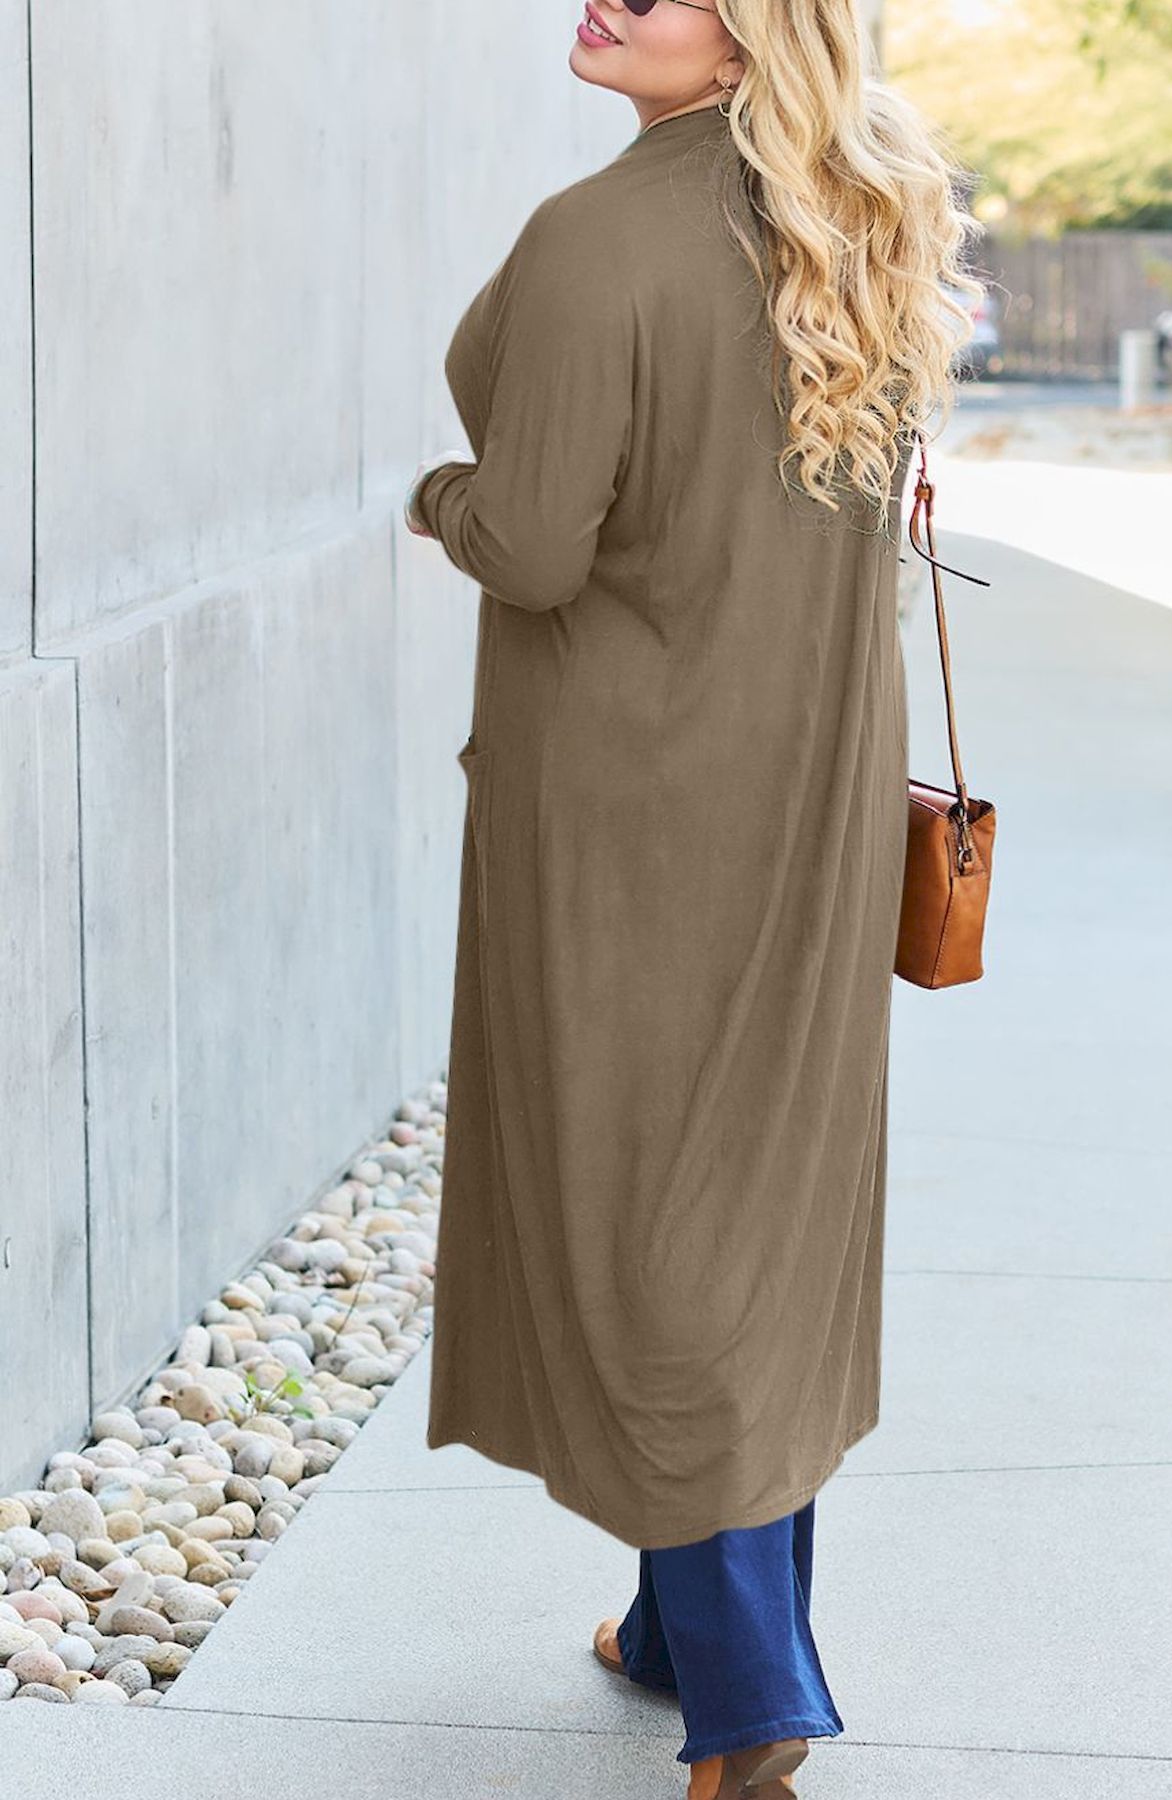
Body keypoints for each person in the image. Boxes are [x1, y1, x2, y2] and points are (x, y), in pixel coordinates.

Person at [404, 3, 979, 1793]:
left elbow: (532, 543)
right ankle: (680, 1630)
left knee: (644, 1220)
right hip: (809, 788)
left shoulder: (600, 238)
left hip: (632, 807)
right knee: (753, 1205)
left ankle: (748, 1700)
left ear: (742, 34)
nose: (604, 0)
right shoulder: (857, 223)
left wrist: (437, 497)